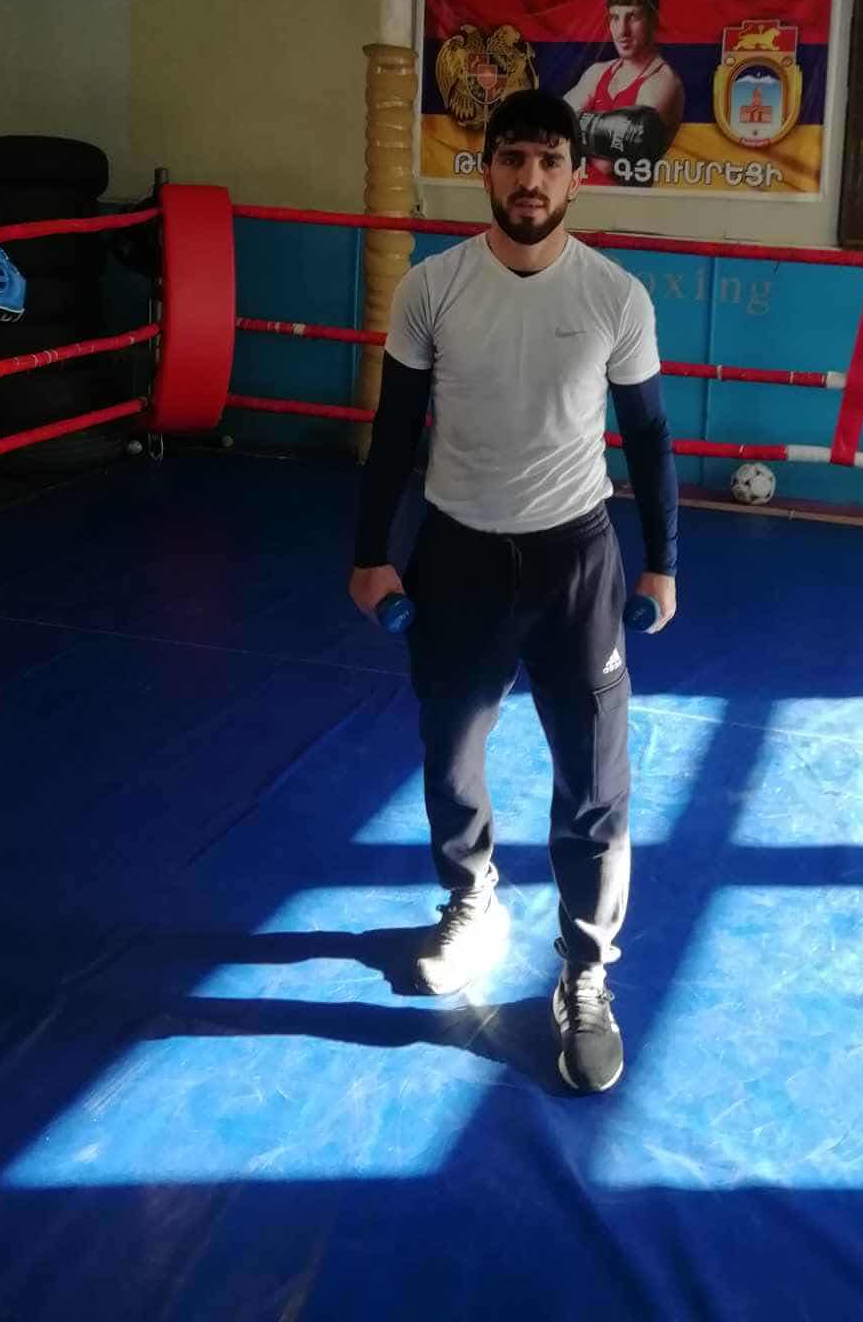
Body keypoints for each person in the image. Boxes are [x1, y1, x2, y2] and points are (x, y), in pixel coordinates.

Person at [348, 88, 678, 1094]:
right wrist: (371, 552)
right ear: (484, 169)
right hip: (458, 557)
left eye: (549, 160)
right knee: (450, 753)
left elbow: (649, 436)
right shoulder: (433, 288)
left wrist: (662, 560)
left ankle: (585, 969)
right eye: (512, 158)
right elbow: (395, 429)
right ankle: (472, 899)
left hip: (576, 560)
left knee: (594, 777)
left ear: (576, 176)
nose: (530, 178)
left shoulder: (615, 295)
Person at [561, 0, 685, 186]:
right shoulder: (598, 72)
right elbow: (553, 123)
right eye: (615, 18)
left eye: (633, 17)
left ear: (653, 20)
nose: (622, 31)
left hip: (626, 199)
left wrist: (571, 127)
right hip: (581, 194)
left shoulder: (663, 83)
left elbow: (609, 163)